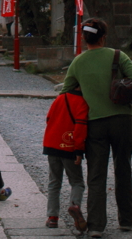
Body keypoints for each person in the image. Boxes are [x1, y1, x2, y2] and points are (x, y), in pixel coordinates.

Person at [61, 17, 132, 238]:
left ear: (84, 38)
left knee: (96, 175)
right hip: (122, 120)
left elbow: (65, 91)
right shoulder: (118, 55)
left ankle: (96, 226)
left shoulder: (78, 62)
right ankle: (126, 221)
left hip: (94, 123)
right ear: (103, 36)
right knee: (123, 168)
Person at [43, 90, 89, 231]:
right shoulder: (83, 101)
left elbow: (48, 118)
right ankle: (74, 205)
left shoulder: (60, 98)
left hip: (51, 144)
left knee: (54, 182)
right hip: (69, 147)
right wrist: (79, 150)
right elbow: (80, 126)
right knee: (77, 182)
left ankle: (52, 218)